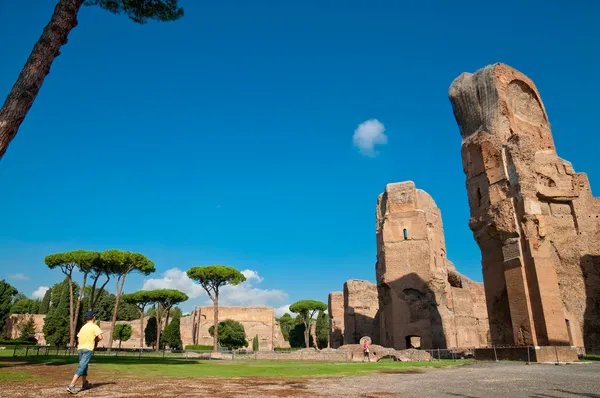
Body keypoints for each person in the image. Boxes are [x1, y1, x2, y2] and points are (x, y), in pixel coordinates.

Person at [67, 311, 103, 394]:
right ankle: (71, 385)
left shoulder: (83, 327)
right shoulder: (95, 326)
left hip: (80, 348)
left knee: (84, 366)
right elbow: (100, 337)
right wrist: (95, 339)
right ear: (93, 317)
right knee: (82, 366)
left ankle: (84, 384)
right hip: (88, 348)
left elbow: (78, 338)